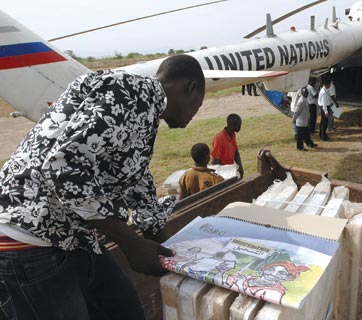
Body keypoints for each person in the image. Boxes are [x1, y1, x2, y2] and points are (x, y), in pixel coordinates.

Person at [0, 54, 205, 319]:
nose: (191, 117)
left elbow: (132, 176)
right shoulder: (130, 95)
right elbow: (64, 165)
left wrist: (160, 239)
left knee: (123, 308)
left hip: (70, 235)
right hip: (28, 238)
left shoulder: (140, 103)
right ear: (191, 89)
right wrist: (130, 242)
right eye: (197, 107)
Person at [211, 113, 244, 178]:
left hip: (230, 169)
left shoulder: (232, 135)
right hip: (223, 171)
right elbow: (215, 161)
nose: (240, 126)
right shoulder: (219, 139)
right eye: (239, 124)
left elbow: (236, 152)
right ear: (233, 125)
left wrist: (240, 167)